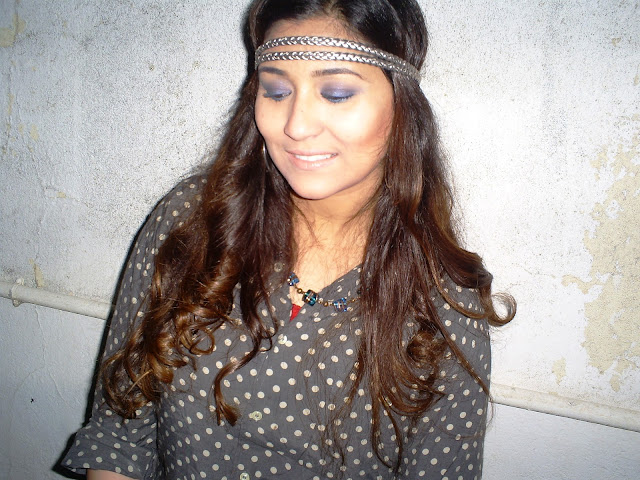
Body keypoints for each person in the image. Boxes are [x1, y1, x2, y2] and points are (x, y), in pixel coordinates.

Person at [62, 0, 515, 478]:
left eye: (336, 93)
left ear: (402, 106)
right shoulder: (190, 223)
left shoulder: (447, 299)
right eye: (276, 91)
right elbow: (119, 431)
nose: (296, 125)